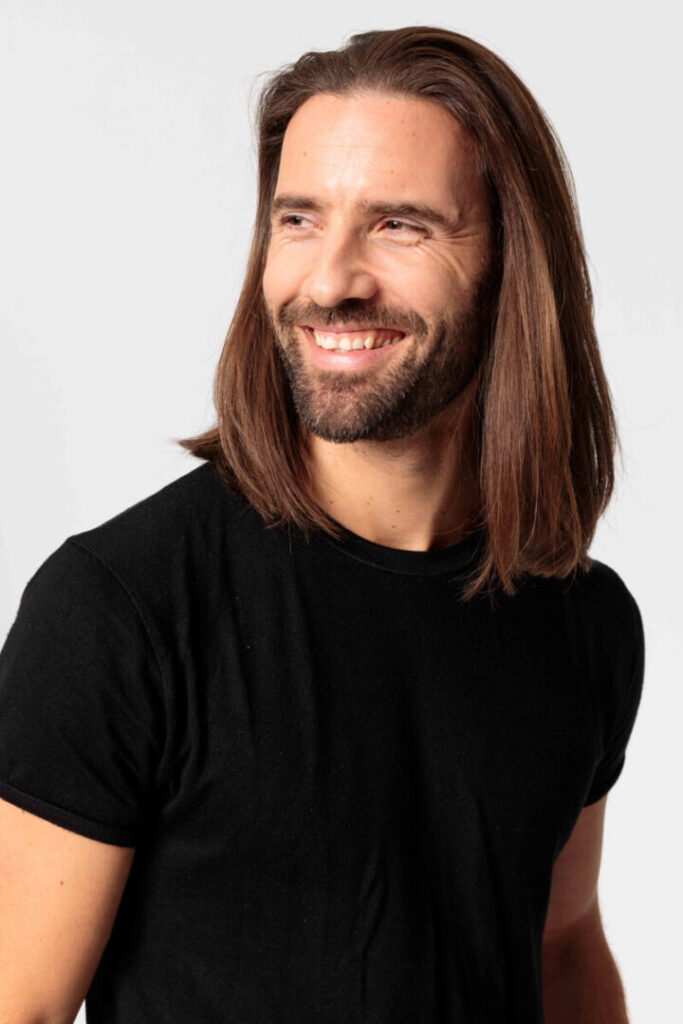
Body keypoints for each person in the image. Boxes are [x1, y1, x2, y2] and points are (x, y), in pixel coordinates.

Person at [0, 25, 645, 1024]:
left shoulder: (582, 620)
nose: (330, 279)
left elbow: (561, 946)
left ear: (511, 263)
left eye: (399, 225)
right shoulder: (121, 608)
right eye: (298, 219)